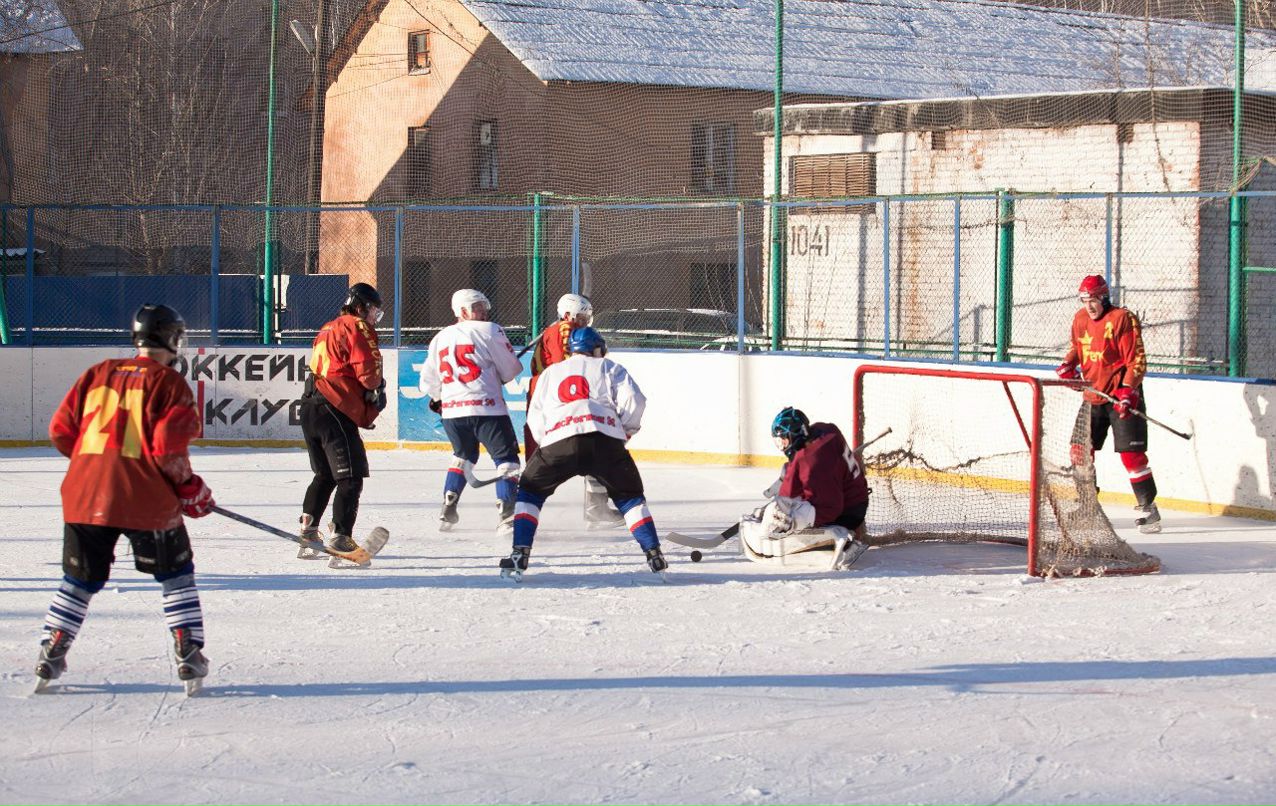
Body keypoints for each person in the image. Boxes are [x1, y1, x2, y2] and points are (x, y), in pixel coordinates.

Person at [36, 303, 215, 692]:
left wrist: (98, 466)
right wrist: (190, 489)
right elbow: (168, 450)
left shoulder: (97, 373)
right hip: (145, 500)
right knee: (176, 577)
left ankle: (52, 648)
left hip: (84, 496)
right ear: (171, 339)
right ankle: (188, 653)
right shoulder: (170, 384)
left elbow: (60, 431)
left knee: (78, 581)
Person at [502, 326, 667, 579]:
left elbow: (535, 415)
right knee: (629, 497)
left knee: (530, 492)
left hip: (559, 441)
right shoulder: (609, 367)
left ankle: (519, 553)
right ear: (597, 348)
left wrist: (546, 443)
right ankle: (654, 554)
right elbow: (635, 400)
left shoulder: (551, 372)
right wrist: (625, 430)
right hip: (604, 440)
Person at [1056, 274, 1161, 533]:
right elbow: (1078, 347)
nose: (1089, 306)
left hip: (1120, 396)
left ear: (1104, 298)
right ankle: (1087, 507)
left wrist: (1128, 390)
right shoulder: (1080, 319)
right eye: (1084, 300)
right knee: (1079, 451)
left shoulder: (1122, 318)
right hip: (1093, 395)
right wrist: (1068, 365)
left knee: (1132, 457)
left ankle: (1149, 510)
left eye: (1093, 300)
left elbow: (1136, 358)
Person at [297, 282, 387, 561]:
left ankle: (308, 531)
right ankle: (341, 537)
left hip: (311, 406)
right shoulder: (356, 326)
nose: (373, 317)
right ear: (360, 306)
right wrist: (375, 388)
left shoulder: (327, 327)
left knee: (324, 474)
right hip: (333, 407)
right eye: (372, 310)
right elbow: (367, 365)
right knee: (351, 475)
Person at [421, 288, 523, 533]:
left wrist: (438, 397)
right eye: (478, 307)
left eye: (484, 306)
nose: (484, 311)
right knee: (506, 459)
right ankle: (507, 515)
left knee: (463, 455)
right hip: (487, 409)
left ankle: (448, 508)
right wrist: (497, 375)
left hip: (453, 413)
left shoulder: (440, 337)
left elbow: (428, 381)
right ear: (462, 311)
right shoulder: (491, 330)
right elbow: (510, 371)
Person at [525, 292, 624, 527]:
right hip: (557, 400)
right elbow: (568, 363)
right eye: (581, 316)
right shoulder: (565, 328)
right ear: (568, 314)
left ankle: (520, 510)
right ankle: (518, 509)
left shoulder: (564, 328)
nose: (584, 322)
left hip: (554, 397)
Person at [739, 407, 870, 570]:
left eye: (783, 440)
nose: (781, 446)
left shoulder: (812, 463)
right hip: (855, 497)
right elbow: (802, 465)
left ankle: (844, 542)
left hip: (847, 512)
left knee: (779, 517)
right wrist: (783, 495)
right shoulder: (825, 429)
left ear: (794, 434)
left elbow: (831, 508)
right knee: (780, 505)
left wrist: (791, 521)